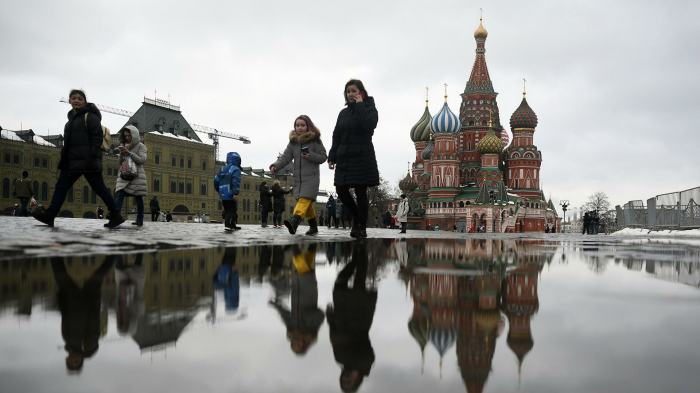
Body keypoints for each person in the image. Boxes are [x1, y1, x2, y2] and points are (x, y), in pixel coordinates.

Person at [33, 89, 124, 228]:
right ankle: (50, 215)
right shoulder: (70, 121)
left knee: (100, 189)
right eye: (73, 98)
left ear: (85, 102)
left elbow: (97, 136)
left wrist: (92, 155)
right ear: (69, 101)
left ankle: (116, 215)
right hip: (72, 161)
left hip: (88, 161)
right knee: (61, 187)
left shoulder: (91, 117)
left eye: (80, 98)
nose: (76, 100)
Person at [328, 79, 379, 239]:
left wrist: (359, 105)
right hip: (344, 157)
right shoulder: (343, 113)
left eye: (354, 91)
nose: (351, 94)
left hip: (362, 156)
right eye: (348, 91)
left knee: (360, 191)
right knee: (340, 189)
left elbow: (369, 125)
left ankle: (360, 226)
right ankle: (358, 216)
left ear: (361, 92)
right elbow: (336, 135)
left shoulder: (369, 108)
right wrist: (332, 156)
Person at [51, 255, 115, 374]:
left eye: (70, 362)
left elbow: (64, 317)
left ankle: (54, 248)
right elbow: (93, 322)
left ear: (67, 359)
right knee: (99, 274)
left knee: (59, 273)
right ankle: (116, 252)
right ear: (81, 361)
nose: (73, 360)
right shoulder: (88, 347)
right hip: (88, 300)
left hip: (71, 299)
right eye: (76, 363)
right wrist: (86, 301)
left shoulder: (67, 341)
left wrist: (61, 299)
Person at [326, 242, 377, 392]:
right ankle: (362, 252)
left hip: (341, 314)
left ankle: (356, 258)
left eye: (344, 381)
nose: (346, 379)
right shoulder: (365, 365)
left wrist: (330, 316)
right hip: (358, 317)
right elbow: (368, 352)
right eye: (349, 383)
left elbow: (333, 336)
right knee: (359, 280)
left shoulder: (339, 359)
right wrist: (357, 368)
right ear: (357, 381)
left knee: (339, 282)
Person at [270, 115, 328, 235]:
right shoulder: (293, 143)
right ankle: (313, 227)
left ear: (308, 126)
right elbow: (285, 157)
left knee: (304, 199)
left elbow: (323, 157)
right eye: (297, 125)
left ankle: (294, 221)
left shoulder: (315, 141)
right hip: (298, 178)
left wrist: (310, 156)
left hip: (311, 177)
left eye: (302, 125)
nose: (300, 128)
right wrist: (276, 165)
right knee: (307, 203)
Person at [270, 244, 325, 356]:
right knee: (303, 270)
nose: (296, 343)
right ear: (304, 344)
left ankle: (312, 246)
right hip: (309, 292)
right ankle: (294, 248)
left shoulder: (291, 330)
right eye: (298, 346)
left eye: (293, 345)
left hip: (297, 290)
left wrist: (276, 305)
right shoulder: (312, 330)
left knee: (306, 266)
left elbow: (285, 315)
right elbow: (321, 315)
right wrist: (307, 316)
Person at [113, 126, 147, 226]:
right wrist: (121, 154)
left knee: (138, 197)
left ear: (134, 135)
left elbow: (142, 160)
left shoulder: (141, 146)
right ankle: (116, 216)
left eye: (129, 135)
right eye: (125, 136)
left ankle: (140, 219)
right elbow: (120, 162)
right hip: (124, 173)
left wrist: (130, 153)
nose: (127, 138)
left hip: (136, 175)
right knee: (120, 193)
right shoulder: (124, 145)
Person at [214, 152, 242, 232]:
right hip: (230, 193)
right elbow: (235, 182)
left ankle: (233, 225)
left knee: (227, 210)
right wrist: (235, 193)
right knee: (232, 211)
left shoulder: (223, 169)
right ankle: (228, 225)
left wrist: (218, 190)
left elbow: (216, 180)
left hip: (222, 193)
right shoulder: (236, 169)